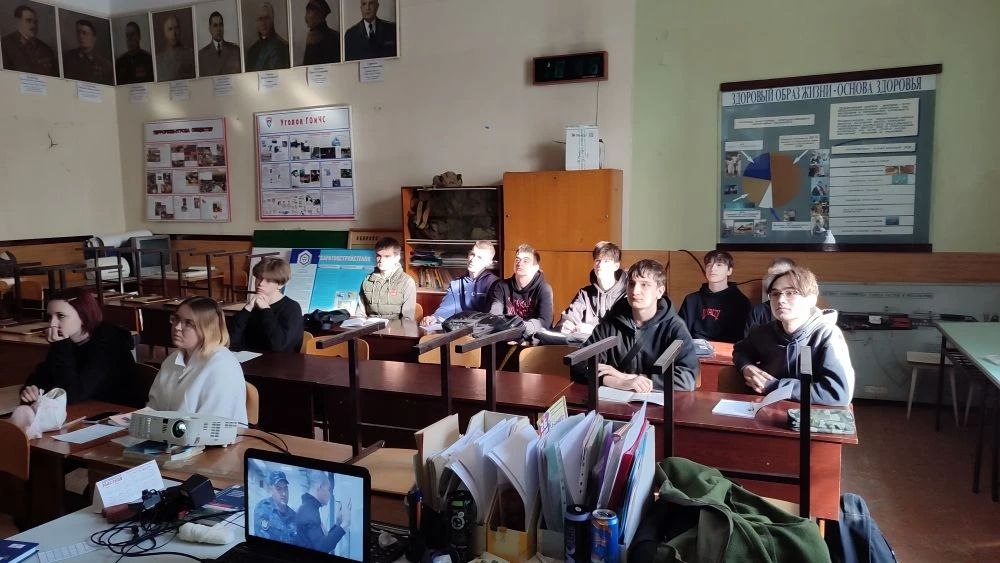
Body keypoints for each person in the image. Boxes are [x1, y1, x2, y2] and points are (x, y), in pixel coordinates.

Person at [734, 266, 855, 407]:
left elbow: (838, 393)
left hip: (808, 415)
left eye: (790, 293)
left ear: (811, 300)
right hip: (765, 409)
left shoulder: (827, 335)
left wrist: (775, 386)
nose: (780, 300)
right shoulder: (762, 332)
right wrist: (746, 367)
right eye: (775, 294)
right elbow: (740, 351)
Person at [572, 259, 699, 392]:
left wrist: (630, 378)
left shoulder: (675, 327)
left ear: (660, 291)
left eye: (644, 284)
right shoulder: (611, 322)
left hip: (658, 402)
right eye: (632, 284)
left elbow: (687, 378)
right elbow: (579, 363)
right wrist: (615, 381)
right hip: (614, 400)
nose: (635, 291)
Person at [19, 288, 138, 406]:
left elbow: (72, 395)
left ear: (83, 316)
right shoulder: (67, 341)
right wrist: (31, 389)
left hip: (118, 411)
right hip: (84, 409)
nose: (52, 324)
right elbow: (44, 376)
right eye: (50, 317)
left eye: (60, 316)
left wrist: (61, 346)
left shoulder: (108, 343)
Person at [147, 296, 248, 424]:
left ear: (207, 328)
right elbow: (154, 407)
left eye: (188, 323)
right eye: (176, 319)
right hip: (168, 432)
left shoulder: (222, 365)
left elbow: (210, 425)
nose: (177, 327)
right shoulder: (173, 359)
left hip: (207, 435)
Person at [230, 257, 303, 353]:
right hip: (248, 358)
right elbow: (231, 341)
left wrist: (266, 310)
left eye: (268, 280)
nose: (260, 283)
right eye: (259, 278)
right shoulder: (252, 306)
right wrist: (247, 308)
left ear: (280, 284)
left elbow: (278, 345)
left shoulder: (292, 308)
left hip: (277, 360)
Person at [678, 250, 751, 344]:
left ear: (729, 271)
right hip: (695, 349)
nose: (712, 269)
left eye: (719, 265)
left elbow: (744, 340)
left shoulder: (741, 302)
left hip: (727, 350)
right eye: (709, 265)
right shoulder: (691, 300)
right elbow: (680, 334)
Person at [420, 240, 499, 327]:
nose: (473, 260)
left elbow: (493, 316)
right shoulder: (456, 284)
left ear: (489, 263)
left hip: (483, 330)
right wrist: (434, 318)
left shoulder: (495, 284)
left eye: (479, 257)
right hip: (459, 329)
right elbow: (447, 308)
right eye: (472, 254)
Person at [556, 241, 627, 336]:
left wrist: (595, 330)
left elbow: (626, 330)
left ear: (616, 266)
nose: (600, 265)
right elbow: (569, 317)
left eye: (606, 261)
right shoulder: (584, 293)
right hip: (587, 344)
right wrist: (565, 325)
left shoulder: (626, 294)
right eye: (597, 260)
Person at [489, 244, 553, 337]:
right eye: (517, 260)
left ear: (536, 267)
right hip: (506, 337)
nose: (519, 263)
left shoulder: (544, 289)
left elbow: (545, 322)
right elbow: (495, 315)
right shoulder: (501, 286)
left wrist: (520, 327)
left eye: (526, 261)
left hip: (534, 340)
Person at [360, 237, 416, 320]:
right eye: (379, 256)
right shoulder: (367, 280)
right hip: (370, 325)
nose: (381, 260)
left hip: (395, 326)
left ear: (397, 258)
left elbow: (407, 319)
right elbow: (360, 313)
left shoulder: (407, 282)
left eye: (387, 256)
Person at [295, 471, 350, 552]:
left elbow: (322, 541)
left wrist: (338, 524)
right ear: (320, 486)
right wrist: (345, 524)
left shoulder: (308, 508)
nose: (330, 494)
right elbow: (322, 547)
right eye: (328, 489)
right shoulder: (309, 512)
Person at [745, 257, 796, 336]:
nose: (773, 281)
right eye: (771, 276)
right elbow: (748, 341)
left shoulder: (804, 310)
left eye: (780, 275)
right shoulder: (759, 311)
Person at [1, 4, 57, 76]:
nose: (33, 25)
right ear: (18, 21)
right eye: (28, 21)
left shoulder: (46, 49)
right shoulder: (4, 44)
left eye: (35, 22)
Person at [62, 19, 114, 85]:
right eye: (78, 33)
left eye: (84, 33)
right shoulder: (68, 57)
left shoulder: (105, 64)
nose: (81, 36)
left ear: (94, 37)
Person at [254, 470, 297, 542]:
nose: (284, 493)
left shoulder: (294, 515)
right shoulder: (263, 508)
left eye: (285, 488)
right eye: (279, 489)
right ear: (271, 489)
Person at [245, 1, 289, 71]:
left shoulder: (283, 47)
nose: (263, 23)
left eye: (266, 18)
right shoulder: (251, 51)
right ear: (256, 22)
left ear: (272, 20)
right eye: (260, 19)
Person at [197, 11, 241, 76]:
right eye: (215, 25)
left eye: (221, 25)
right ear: (210, 29)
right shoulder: (202, 55)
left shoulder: (235, 50)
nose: (218, 29)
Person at [156, 13, 195, 81]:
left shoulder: (191, 54)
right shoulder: (158, 59)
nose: (174, 33)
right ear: (165, 33)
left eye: (176, 28)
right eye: (170, 29)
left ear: (180, 30)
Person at [302, 0, 340, 65]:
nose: (306, 17)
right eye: (307, 12)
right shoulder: (334, 35)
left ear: (319, 15)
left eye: (309, 12)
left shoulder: (316, 36)